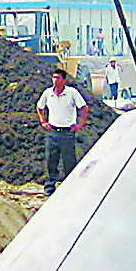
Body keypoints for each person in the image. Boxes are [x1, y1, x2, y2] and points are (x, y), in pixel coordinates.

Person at [36, 68, 88, 196]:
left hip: (67, 132)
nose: (55, 80)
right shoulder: (48, 93)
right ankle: (50, 185)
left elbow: (84, 108)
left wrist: (80, 124)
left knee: (68, 160)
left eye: (58, 78)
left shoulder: (72, 93)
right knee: (51, 159)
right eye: (53, 77)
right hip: (52, 131)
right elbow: (39, 107)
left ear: (64, 80)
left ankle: (70, 186)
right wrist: (43, 121)